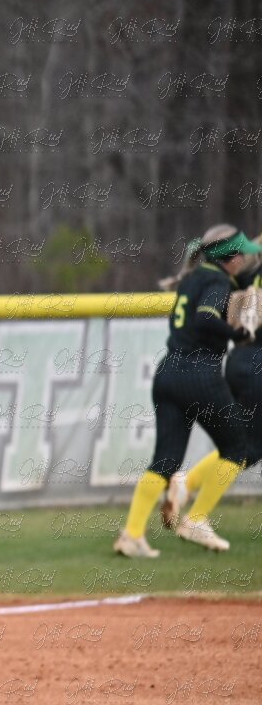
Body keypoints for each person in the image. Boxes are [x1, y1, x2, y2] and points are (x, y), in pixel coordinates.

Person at [116, 224, 259, 557]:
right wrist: (237, 335)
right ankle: (196, 519)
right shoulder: (218, 281)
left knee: (164, 461)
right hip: (199, 375)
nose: (243, 260)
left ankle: (132, 535)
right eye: (241, 254)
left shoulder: (193, 278)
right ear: (231, 258)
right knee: (237, 448)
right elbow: (206, 317)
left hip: (168, 372)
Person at [162, 252, 262, 540]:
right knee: (245, 448)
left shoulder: (248, 268)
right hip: (256, 364)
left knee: (245, 446)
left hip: (240, 358)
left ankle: (187, 486)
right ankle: (194, 512)